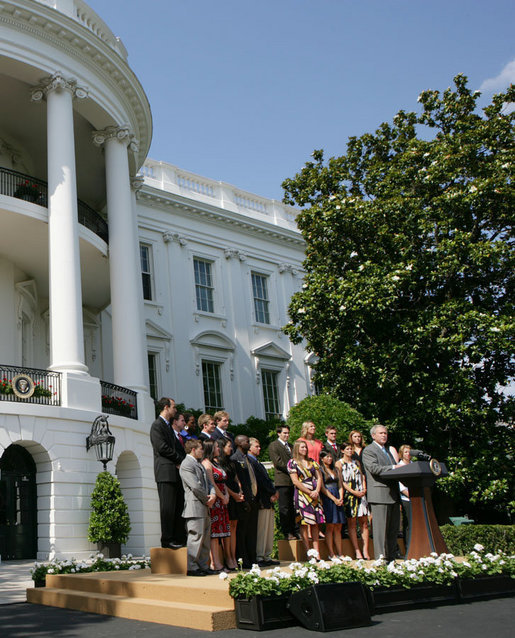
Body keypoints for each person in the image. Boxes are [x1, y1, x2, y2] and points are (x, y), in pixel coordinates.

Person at [149, 397, 186, 549]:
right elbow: (162, 448)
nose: (175, 410)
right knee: (167, 508)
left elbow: (176, 446)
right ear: (166, 407)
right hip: (165, 472)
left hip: (175, 472)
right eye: (173, 407)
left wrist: (184, 459)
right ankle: (167, 540)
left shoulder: (169, 427)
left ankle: (177, 538)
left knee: (177, 507)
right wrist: (179, 460)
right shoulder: (157, 425)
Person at [362, 424, 401, 562]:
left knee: (392, 530)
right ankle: (381, 559)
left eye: (385, 433)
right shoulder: (369, 450)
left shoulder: (388, 451)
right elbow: (374, 468)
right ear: (373, 435)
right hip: (379, 495)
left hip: (393, 495)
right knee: (380, 531)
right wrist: (393, 467)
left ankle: (391, 557)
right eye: (381, 433)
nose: (384, 435)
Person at [179, 439, 217, 576]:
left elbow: (209, 483)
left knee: (205, 538)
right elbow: (195, 486)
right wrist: (207, 500)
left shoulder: (199, 464)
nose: (202, 451)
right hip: (195, 506)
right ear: (193, 450)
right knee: (195, 537)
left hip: (205, 506)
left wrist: (212, 495)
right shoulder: (186, 464)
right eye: (200, 448)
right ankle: (192, 566)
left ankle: (203, 565)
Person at [287, 440, 325, 558]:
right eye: (302, 447)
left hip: (315, 494)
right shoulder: (292, 463)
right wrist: (309, 492)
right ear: (297, 449)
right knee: (304, 523)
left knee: (315, 524)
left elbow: (319, 478)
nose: (305, 449)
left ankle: (317, 552)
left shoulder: (312, 462)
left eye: (305, 447)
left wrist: (316, 491)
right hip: (303, 495)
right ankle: (309, 552)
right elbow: (295, 481)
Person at [248, 437, 280, 567]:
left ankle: (267, 555)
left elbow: (267, 480)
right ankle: (259, 556)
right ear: (249, 447)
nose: (259, 448)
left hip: (269, 499)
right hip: (262, 499)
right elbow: (259, 482)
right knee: (261, 530)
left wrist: (274, 492)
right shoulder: (250, 462)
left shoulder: (258, 462)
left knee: (268, 529)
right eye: (256, 446)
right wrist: (272, 491)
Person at [201, 440, 231, 572]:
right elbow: (211, 482)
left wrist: (227, 496)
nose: (219, 449)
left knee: (220, 534)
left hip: (223, 501)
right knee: (214, 534)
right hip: (215, 502)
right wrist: (221, 496)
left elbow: (223, 481)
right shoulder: (206, 464)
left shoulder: (216, 462)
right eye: (217, 447)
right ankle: (215, 563)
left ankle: (219, 561)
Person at [337, 443, 371, 559]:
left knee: (364, 522)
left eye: (351, 449)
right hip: (349, 495)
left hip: (361, 493)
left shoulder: (356, 462)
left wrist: (364, 489)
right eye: (347, 449)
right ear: (342, 451)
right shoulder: (339, 463)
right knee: (351, 523)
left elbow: (362, 476)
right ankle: (357, 551)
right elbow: (341, 481)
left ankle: (365, 550)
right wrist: (353, 492)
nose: (350, 451)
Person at [231, 434, 259, 568]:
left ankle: (253, 558)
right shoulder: (235, 459)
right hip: (243, 500)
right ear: (239, 444)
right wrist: (244, 499)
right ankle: (243, 559)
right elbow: (239, 482)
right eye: (246, 441)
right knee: (242, 532)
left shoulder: (248, 458)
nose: (248, 443)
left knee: (252, 531)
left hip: (253, 499)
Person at [268, 425, 298, 540]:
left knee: (294, 507)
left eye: (288, 433)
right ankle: (287, 532)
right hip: (283, 480)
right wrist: (292, 469)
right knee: (284, 507)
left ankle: (295, 530)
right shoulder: (274, 446)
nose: (287, 435)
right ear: (279, 433)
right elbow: (278, 462)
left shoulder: (290, 446)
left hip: (293, 480)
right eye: (284, 433)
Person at [218, 435, 243, 570]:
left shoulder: (232, 462)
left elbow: (236, 478)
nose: (231, 448)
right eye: (228, 446)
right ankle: (227, 557)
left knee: (234, 527)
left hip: (236, 495)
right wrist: (233, 495)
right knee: (227, 528)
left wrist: (239, 491)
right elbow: (222, 482)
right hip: (227, 496)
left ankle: (233, 556)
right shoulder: (218, 463)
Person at [319, 450, 345, 558]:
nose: (329, 459)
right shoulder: (320, 470)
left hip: (338, 496)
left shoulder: (336, 469)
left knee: (338, 526)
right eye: (327, 457)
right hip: (328, 498)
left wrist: (341, 497)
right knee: (330, 525)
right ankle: (331, 553)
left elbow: (340, 485)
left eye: (330, 457)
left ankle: (340, 552)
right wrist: (333, 498)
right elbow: (323, 487)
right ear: (322, 458)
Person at [398, 444, 412, 547]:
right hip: (406, 499)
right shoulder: (400, 465)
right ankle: (408, 546)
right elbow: (401, 486)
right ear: (401, 454)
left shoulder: (413, 464)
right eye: (406, 452)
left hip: (416, 498)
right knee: (408, 524)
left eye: (409, 452)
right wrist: (410, 495)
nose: (408, 454)